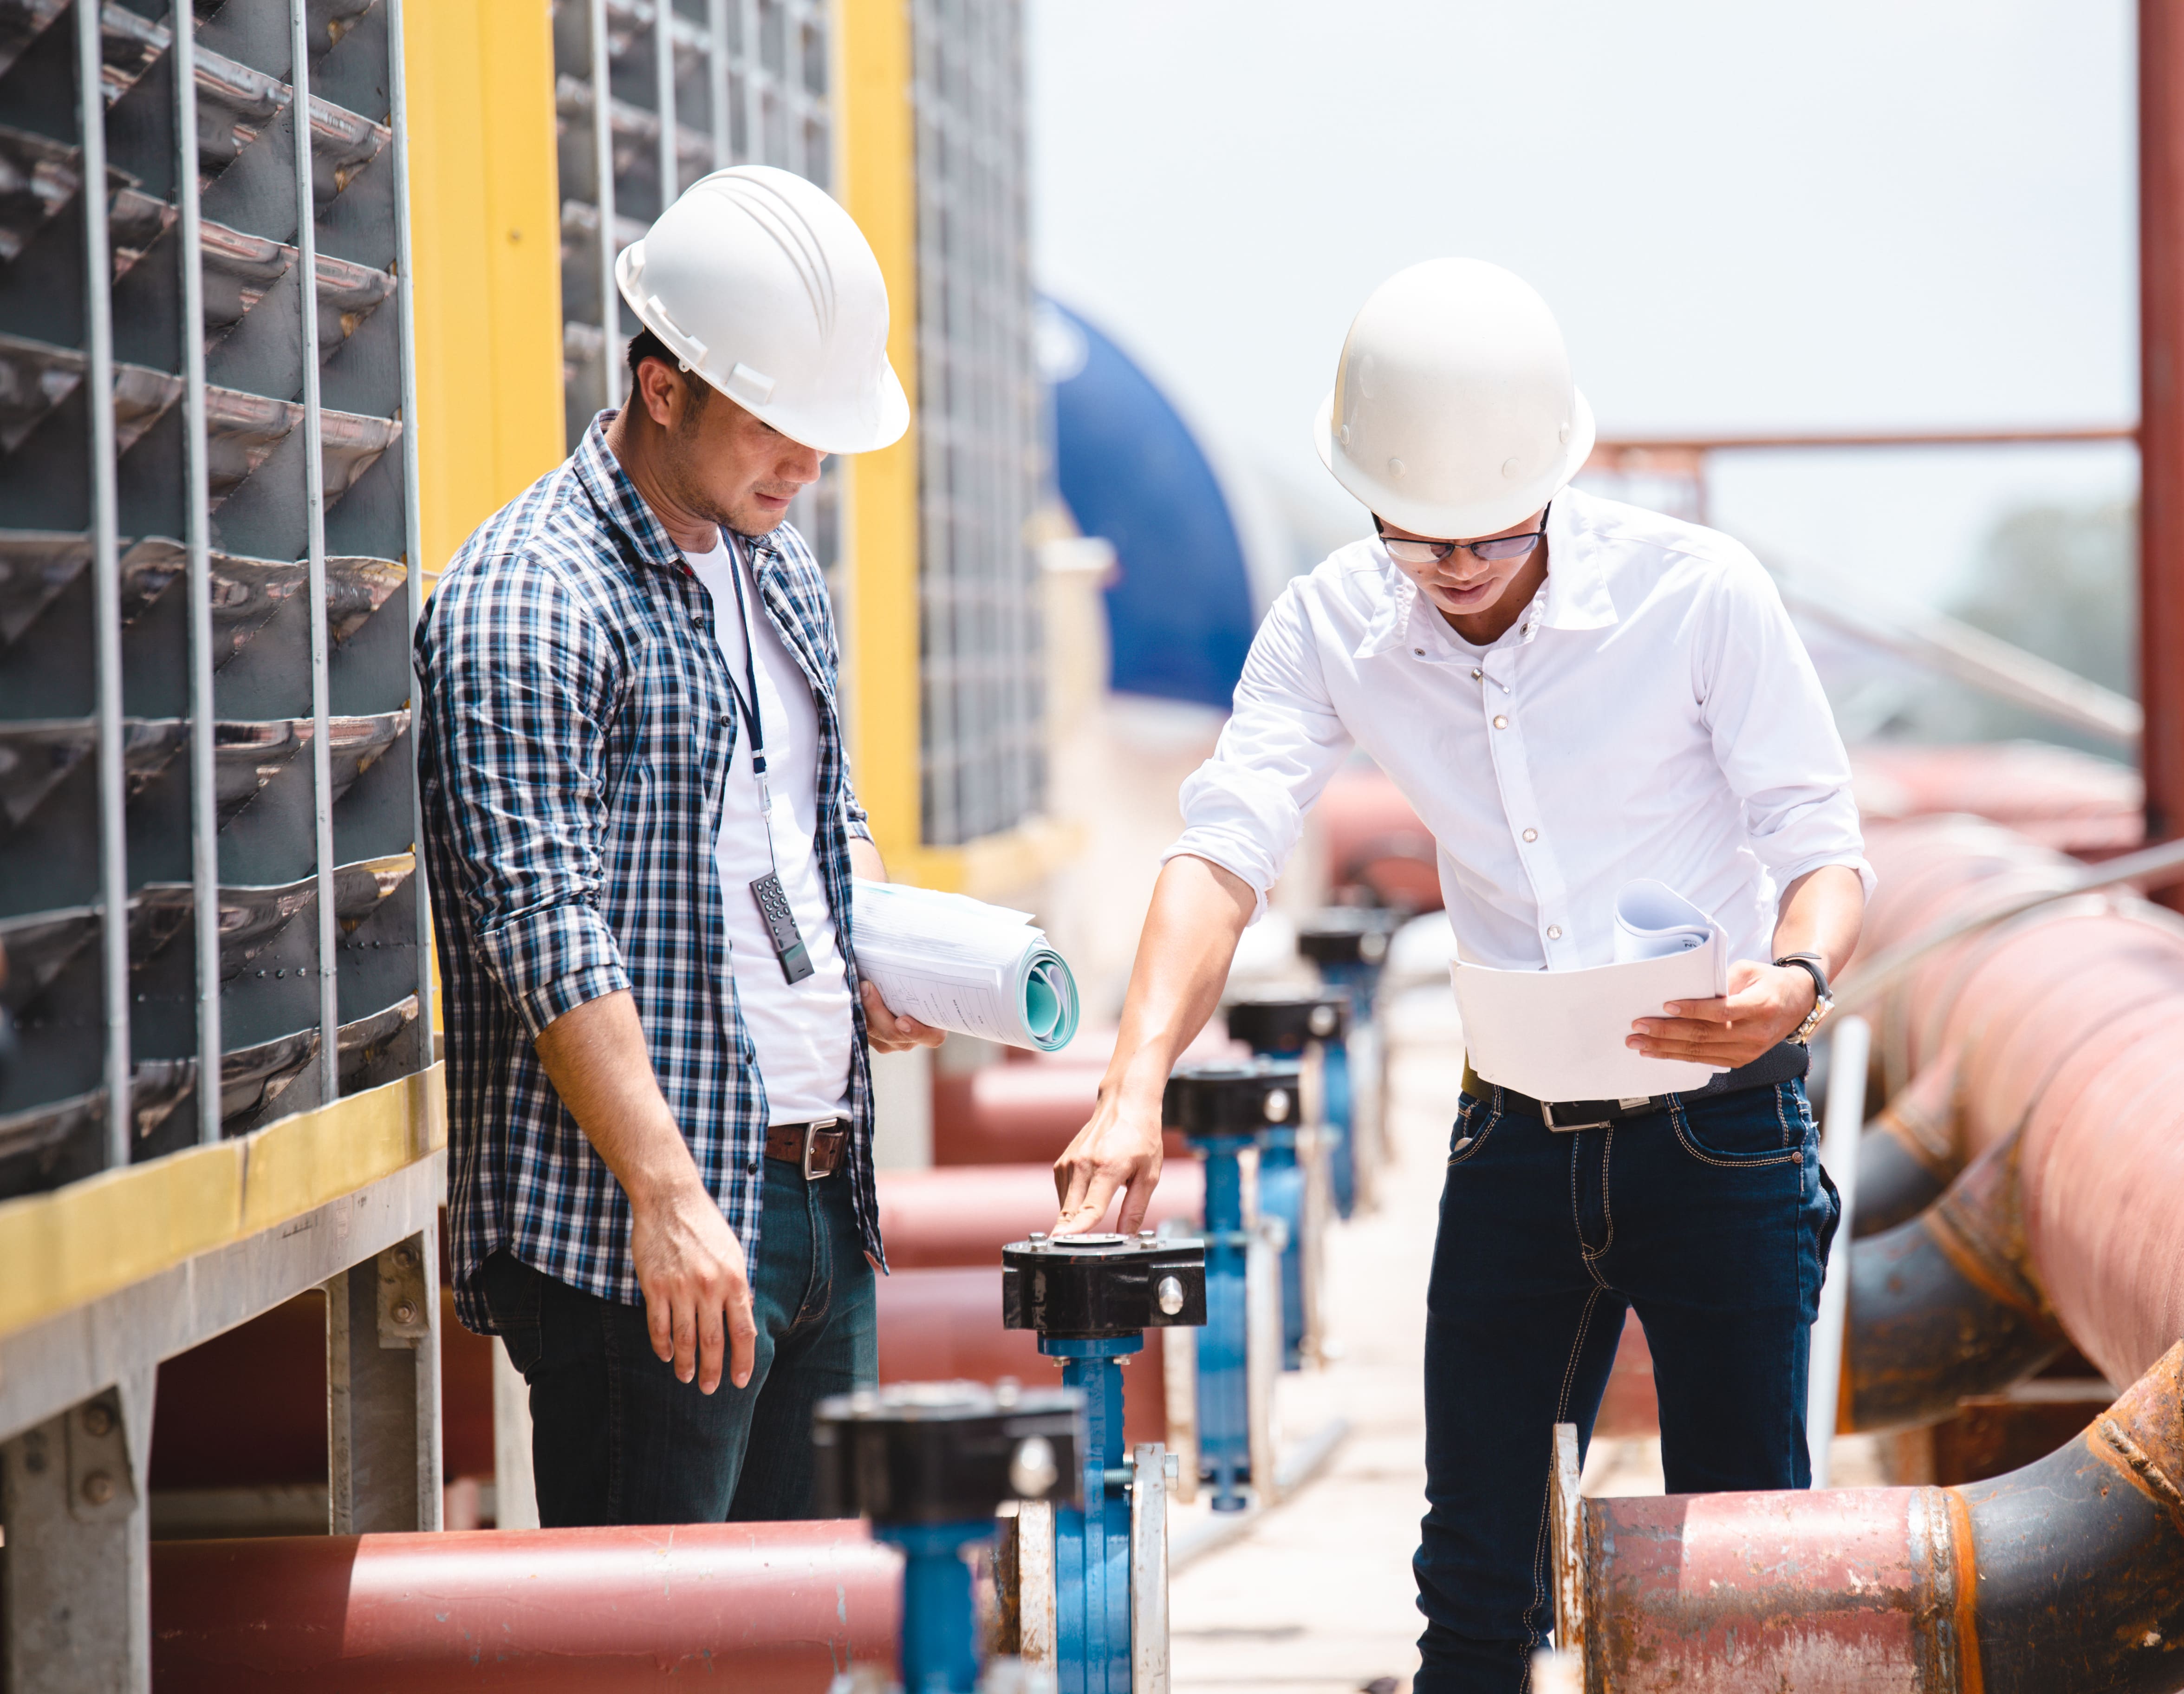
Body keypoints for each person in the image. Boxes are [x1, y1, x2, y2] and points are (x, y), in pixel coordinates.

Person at [1051, 258, 1869, 1692]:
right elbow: (1222, 851)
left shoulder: (1697, 599)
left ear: (1554, 477)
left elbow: (1823, 839)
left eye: (1491, 533)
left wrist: (1795, 977)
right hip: (1515, 1143)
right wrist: (1132, 1093)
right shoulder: (1330, 629)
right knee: (1473, 1587)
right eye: (1420, 539)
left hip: (1717, 1126)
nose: (1459, 568)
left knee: (1742, 1575)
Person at [416, 166, 942, 1528]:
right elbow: (543, 920)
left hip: (824, 1198)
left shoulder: (777, 565)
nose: (806, 470)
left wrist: (878, 949)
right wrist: (668, 1195)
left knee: (808, 1642)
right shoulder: (532, 598)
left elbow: (822, 817)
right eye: (778, 428)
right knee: (658, 1660)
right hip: (647, 1238)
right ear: (663, 388)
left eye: (823, 437)